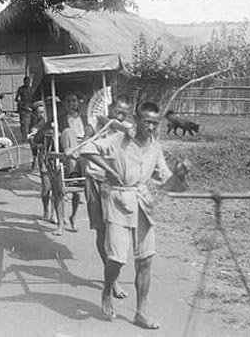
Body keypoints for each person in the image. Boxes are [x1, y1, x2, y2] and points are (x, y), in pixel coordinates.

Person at [80, 101, 188, 330]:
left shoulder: (155, 147)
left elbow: (169, 185)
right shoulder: (119, 140)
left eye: (155, 123)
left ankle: (141, 312)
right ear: (137, 120)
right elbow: (86, 149)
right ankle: (107, 289)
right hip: (119, 201)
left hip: (143, 202)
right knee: (117, 258)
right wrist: (110, 169)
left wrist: (180, 176)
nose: (150, 127)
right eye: (146, 122)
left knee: (146, 260)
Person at [82, 95, 134, 300]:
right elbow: (84, 150)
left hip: (115, 186)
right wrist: (98, 130)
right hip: (95, 180)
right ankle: (112, 280)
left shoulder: (126, 128)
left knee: (115, 232)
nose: (120, 115)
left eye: (124, 113)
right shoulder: (94, 125)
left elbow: (132, 133)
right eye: (117, 111)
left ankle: (113, 278)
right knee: (101, 232)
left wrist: (112, 123)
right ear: (110, 107)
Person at [56, 91, 94, 232]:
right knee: (68, 132)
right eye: (68, 101)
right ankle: (60, 223)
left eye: (74, 101)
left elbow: (92, 136)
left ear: (78, 102)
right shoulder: (59, 119)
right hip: (68, 151)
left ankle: (73, 216)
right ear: (64, 104)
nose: (71, 104)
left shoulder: (86, 119)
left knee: (87, 136)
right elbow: (42, 133)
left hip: (83, 149)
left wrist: (82, 145)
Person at [27, 101, 53, 222]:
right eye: (39, 113)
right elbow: (34, 141)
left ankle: (54, 213)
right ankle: (46, 211)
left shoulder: (55, 123)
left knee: (57, 188)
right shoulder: (36, 127)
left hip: (56, 157)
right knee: (46, 187)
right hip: (44, 157)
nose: (42, 115)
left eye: (43, 112)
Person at [15, 77, 34, 141]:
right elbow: (16, 98)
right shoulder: (21, 89)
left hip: (31, 107)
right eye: (26, 82)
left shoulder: (32, 89)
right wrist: (21, 103)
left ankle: (29, 135)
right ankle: (24, 136)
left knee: (31, 122)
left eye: (28, 82)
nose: (27, 83)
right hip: (23, 108)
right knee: (23, 123)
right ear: (24, 82)